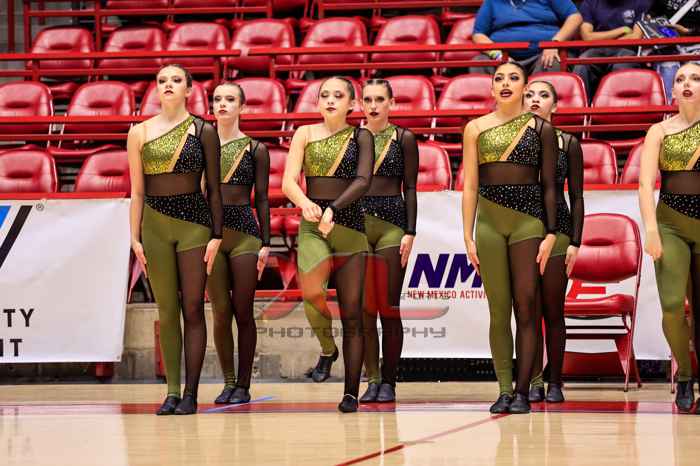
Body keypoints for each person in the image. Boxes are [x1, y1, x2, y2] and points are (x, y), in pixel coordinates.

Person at [461, 62, 558, 414]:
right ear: (491, 89)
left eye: (513, 78)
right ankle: (504, 390)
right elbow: (470, 186)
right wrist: (467, 235)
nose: (505, 83)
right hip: (488, 227)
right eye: (499, 78)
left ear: (525, 88)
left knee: (527, 305)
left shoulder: (541, 128)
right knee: (498, 310)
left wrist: (551, 232)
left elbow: (550, 186)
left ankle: (523, 391)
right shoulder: (475, 128)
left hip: (528, 225)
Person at [127, 64, 223, 415]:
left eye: (176, 80)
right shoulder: (138, 132)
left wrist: (216, 235)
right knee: (166, 310)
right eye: (162, 80)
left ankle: (191, 393)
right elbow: (137, 192)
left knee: (193, 307)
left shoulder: (204, 130)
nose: (168, 85)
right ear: (156, 88)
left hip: (195, 226)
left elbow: (215, 189)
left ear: (189, 89)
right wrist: (134, 238)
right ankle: (171, 391)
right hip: (154, 227)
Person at [282, 76, 374, 413]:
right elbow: (288, 181)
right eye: (324, 95)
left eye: (338, 95)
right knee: (311, 294)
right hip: (312, 226)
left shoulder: (361, 136)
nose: (330, 100)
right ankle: (328, 349)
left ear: (352, 104)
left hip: (350, 227)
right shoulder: (304, 133)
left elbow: (363, 180)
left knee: (352, 313)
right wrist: (306, 203)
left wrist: (333, 209)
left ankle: (350, 392)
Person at [638, 62, 700, 413]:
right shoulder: (658, 131)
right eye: (680, 79)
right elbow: (645, 184)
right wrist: (650, 229)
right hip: (670, 226)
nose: (687, 83)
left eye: (695, 78)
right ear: (672, 90)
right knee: (673, 306)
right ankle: (685, 374)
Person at [207, 82, 270, 405]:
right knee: (220, 312)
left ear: (242, 107)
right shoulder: (200, 146)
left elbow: (262, 198)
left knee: (243, 310)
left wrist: (266, 242)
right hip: (210, 236)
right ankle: (228, 382)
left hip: (246, 233)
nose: (223, 104)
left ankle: (244, 385)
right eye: (217, 99)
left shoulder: (255, 149)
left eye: (230, 99)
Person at [357, 79, 418, 404]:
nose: (373, 105)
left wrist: (411, 231)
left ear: (391, 103)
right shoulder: (351, 138)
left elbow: (411, 187)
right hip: (357, 225)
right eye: (368, 99)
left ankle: (390, 381)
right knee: (366, 309)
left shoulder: (403, 138)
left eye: (380, 99)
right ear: (360, 103)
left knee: (389, 307)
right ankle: (373, 379)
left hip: (393, 224)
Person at [524, 81, 585, 403]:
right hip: (523, 228)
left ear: (556, 105)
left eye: (543, 95)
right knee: (528, 310)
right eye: (529, 95)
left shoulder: (568, 142)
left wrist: (576, 240)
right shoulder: (513, 139)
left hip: (559, 228)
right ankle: (533, 380)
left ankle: (556, 381)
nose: (535, 100)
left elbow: (577, 196)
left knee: (552, 309)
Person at [470, 0, 582, 75]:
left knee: (552, 62)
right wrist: (498, 55)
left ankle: (537, 104)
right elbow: (478, 34)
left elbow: (575, 17)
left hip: (543, 54)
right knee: (479, 62)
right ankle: (492, 104)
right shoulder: (492, 2)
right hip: (504, 57)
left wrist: (554, 44)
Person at [573, 0, 652, 99]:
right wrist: (622, 30)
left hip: (625, 50)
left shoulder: (641, 2)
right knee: (582, 65)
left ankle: (621, 107)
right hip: (595, 50)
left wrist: (601, 38)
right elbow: (587, 37)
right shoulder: (590, 2)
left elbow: (636, 37)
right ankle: (579, 107)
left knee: (623, 66)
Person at [648, 1, 700, 101]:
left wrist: (688, 32)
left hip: (696, 44)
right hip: (668, 45)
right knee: (668, 70)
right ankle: (669, 107)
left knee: (694, 74)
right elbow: (651, 18)